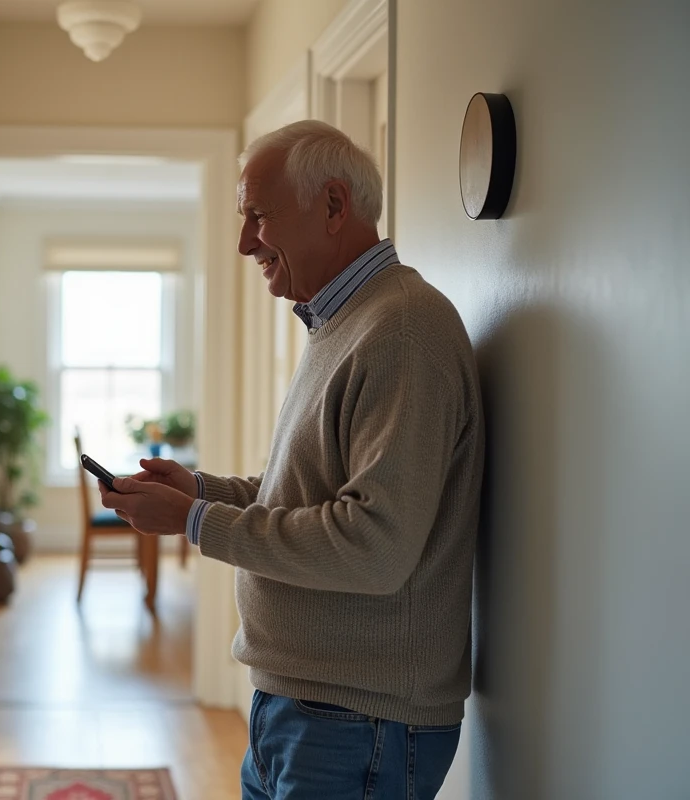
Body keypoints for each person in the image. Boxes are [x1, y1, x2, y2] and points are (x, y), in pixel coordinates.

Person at [99, 120, 484, 799]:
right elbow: (308, 497)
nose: (245, 242)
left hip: (356, 720)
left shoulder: (401, 328)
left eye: (258, 216)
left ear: (333, 206)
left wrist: (195, 519)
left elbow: (373, 544)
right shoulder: (347, 324)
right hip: (311, 709)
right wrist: (200, 489)